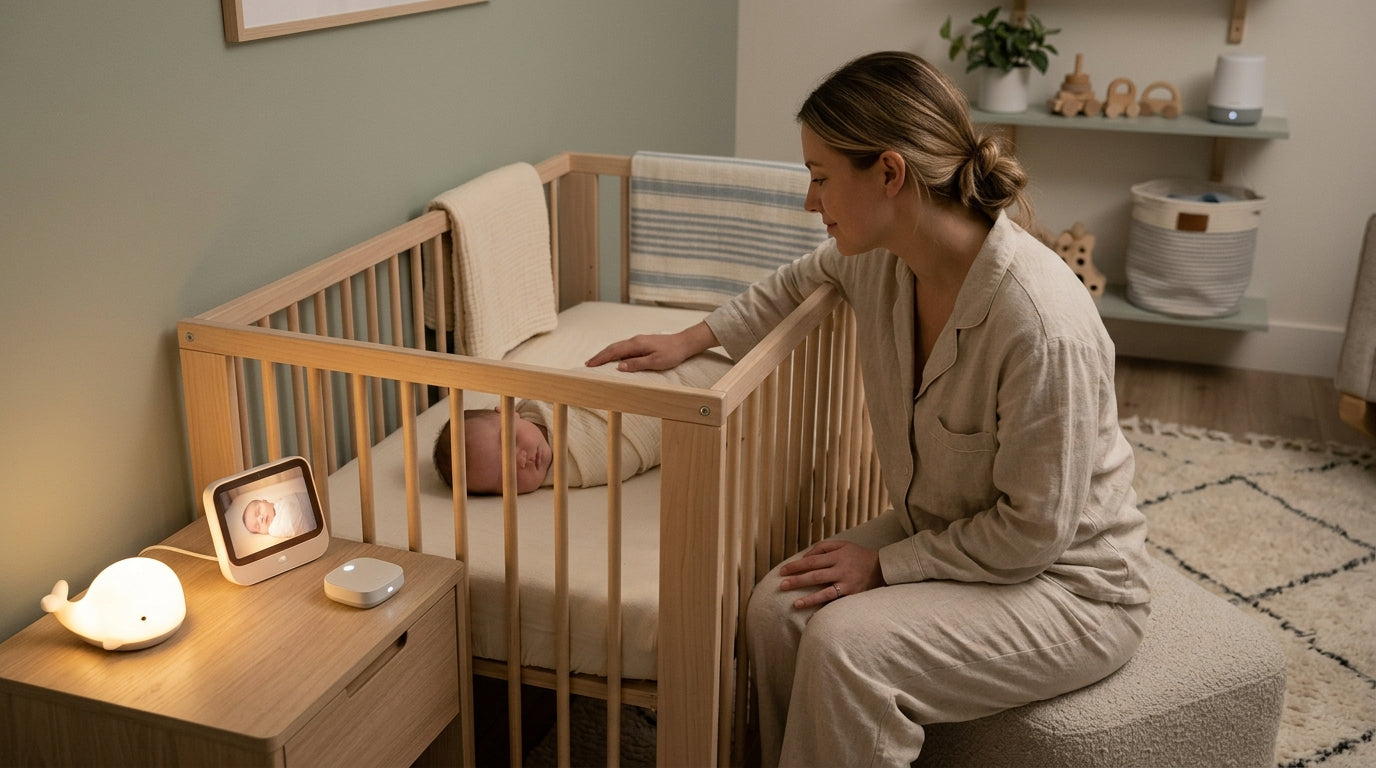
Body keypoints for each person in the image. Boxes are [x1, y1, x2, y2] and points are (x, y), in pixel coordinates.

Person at [586, 51, 1152, 767]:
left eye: (821, 178)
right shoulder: (882, 260)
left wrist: (885, 567)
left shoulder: (1041, 325)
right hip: (951, 529)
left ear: (889, 173)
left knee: (846, 647)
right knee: (777, 608)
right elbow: (797, 280)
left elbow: (1032, 535)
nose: (808, 201)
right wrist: (691, 338)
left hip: (1067, 588)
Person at [241, 493, 314, 538]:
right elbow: (291, 524)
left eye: (258, 511)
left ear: (265, 501)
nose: (260, 519)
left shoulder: (281, 500)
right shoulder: (274, 530)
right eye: (258, 526)